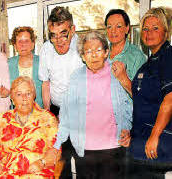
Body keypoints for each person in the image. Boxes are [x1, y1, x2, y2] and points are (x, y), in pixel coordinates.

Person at [52, 31, 132, 179]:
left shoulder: (117, 73)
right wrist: (58, 144)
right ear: (82, 56)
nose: (93, 55)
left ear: (106, 52)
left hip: (112, 147)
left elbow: (127, 105)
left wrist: (127, 128)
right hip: (84, 149)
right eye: (88, 51)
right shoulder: (76, 78)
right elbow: (66, 114)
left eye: (98, 50)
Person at [0, 76, 59, 178]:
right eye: (19, 94)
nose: (24, 98)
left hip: (37, 172)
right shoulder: (3, 119)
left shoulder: (47, 118)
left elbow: (57, 150)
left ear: (34, 96)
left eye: (28, 93)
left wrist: (42, 162)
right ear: (12, 99)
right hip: (6, 172)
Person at [38, 6, 83, 178]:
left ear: (73, 29)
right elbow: (45, 83)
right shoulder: (45, 49)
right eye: (53, 35)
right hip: (56, 110)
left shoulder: (83, 47)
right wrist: (49, 115)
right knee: (59, 161)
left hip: (80, 112)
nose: (59, 41)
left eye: (63, 33)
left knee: (82, 161)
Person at [129, 7, 172, 179]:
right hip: (142, 139)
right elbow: (142, 99)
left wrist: (155, 136)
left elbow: (170, 99)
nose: (149, 33)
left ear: (166, 32)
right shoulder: (148, 64)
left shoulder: (168, 57)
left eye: (155, 28)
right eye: (145, 29)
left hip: (160, 143)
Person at [104, 9, 146, 96]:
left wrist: (124, 78)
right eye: (109, 27)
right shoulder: (100, 53)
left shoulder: (137, 56)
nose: (113, 31)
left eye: (118, 26)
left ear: (127, 29)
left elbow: (142, 96)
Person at [8, 26, 43, 108]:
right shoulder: (8, 64)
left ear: (32, 44)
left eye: (26, 41)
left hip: (39, 112)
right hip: (16, 113)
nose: (23, 45)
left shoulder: (42, 62)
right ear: (15, 46)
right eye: (20, 41)